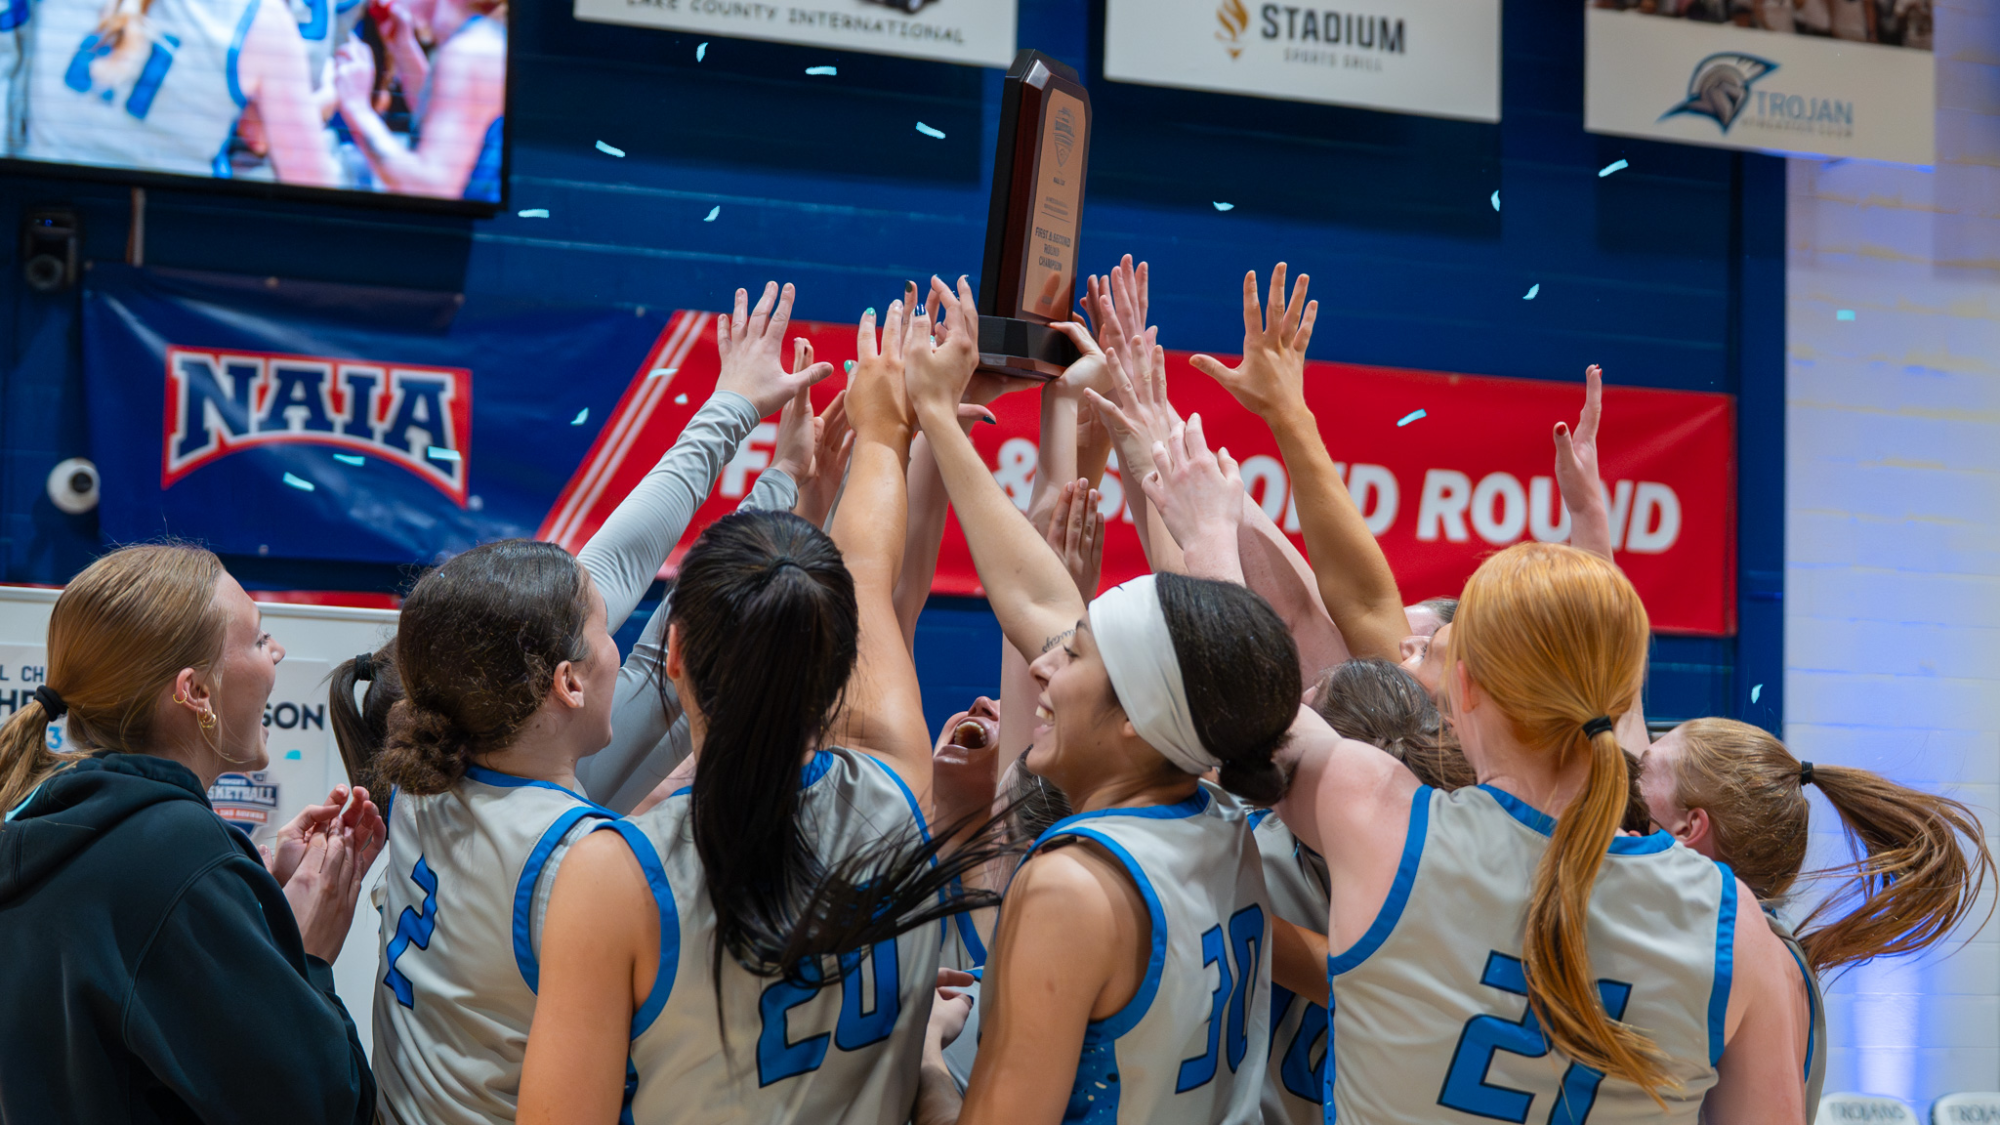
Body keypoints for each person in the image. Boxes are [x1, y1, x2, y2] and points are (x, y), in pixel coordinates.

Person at [515, 294, 996, 1125]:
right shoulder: (897, 790)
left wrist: (883, 431)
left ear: (671, 653)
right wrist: (891, 428)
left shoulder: (614, 872)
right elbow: (871, 573)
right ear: (843, 666)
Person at [906, 277, 1296, 1125]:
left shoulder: (1070, 888)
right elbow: (1040, 599)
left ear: (1134, 720)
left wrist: (928, 1065)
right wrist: (943, 420)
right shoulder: (1226, 819)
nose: (1044, 667)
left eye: (1075, 654)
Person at [1272, 539, 1807, 1122]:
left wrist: (1212, 517)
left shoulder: (1379, 816)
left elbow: (1245, 688)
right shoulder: (1735, 924)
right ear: (1622, 699)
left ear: (1463, 687)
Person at [0, 542, 382, 1124]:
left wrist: (253, 909)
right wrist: (305, 955)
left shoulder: (45, 818)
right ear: (196, 692)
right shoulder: (175, 853)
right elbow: (326, 1108)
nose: (277, 651)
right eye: (259, 639)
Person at [1639, 717, 1996, 1119]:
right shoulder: (1772, 943)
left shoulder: (1736, 948)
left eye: (1640, 773)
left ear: (1690, 827)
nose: (1624, 788)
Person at [26, 0, 340, 184]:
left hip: (34, 229)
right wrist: (331, 95)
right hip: (168, 255)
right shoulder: (261, 20)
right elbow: (310, 184)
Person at [332, 0, 503, 199]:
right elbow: (441, 118)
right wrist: (402, 47)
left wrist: (357, 108)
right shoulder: (479, 38)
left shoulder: (468, 52)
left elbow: (432, 190)